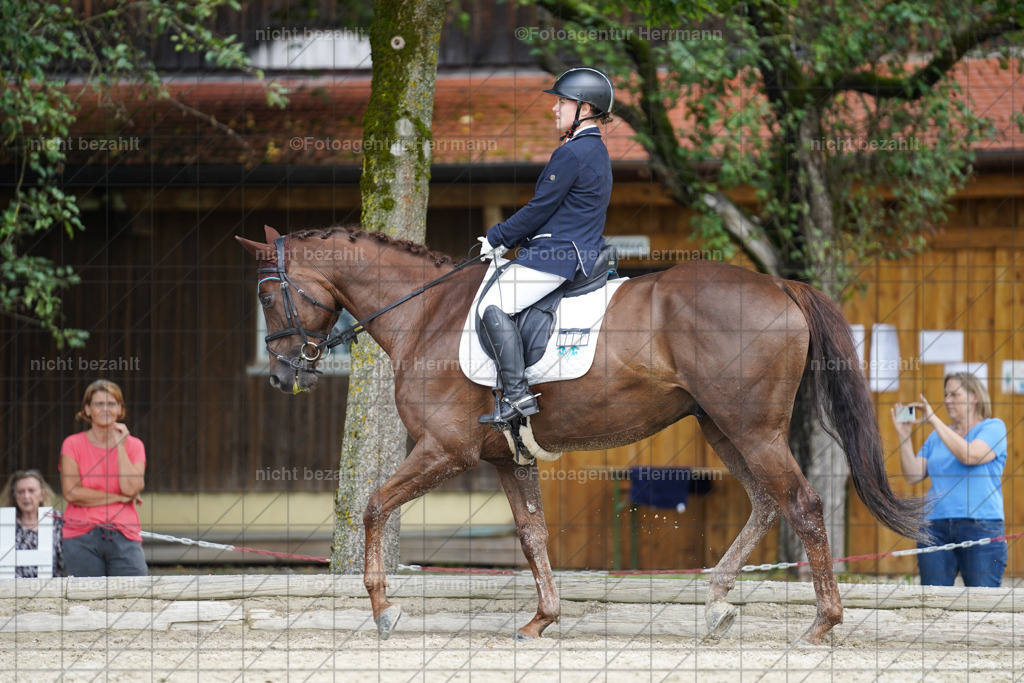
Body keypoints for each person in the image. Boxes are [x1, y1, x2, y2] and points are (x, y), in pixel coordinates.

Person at [476, 66, 615, 424]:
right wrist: (515, 240)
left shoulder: (573, 153)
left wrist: (497, 237)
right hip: (566, 250)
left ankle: (518, 396)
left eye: (563, 102)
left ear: (584, 109)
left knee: (494, 305)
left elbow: (541, 207)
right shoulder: (593, 150)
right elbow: (559, 213)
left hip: (558, 257)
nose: (555, 108)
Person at [892, 371, 1008, 587]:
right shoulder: (936, 437)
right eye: (946, 395)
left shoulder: (993, 428)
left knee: (981, 604)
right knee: (933, 603)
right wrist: (904, 437)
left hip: (980, 525)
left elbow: (970, 455)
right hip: (935, 527)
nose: (947, 401)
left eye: (954, 395)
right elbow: (913, 474)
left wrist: (933, 419)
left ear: (974, 397)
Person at [60, 379, 148, 576]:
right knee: (85, 601)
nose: (105, 409)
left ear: (120, 409)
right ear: (87, 409)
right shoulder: (72, 444)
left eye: (111, 404)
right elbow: (72, 493)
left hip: (124, 533)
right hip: (81, 535)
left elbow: (130, 489)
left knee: (134, 597)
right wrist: (118, 498)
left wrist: (120, 445)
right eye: (99, 404)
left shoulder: (134, 446)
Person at [1, 470, 64, 577]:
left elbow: (67, 561)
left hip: (51, 590)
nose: (26, 496)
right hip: (10, 590)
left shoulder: (58, 522)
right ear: (14, 496)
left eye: (31, 491)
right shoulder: (3, 523)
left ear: (42, 495)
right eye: (20, 492)